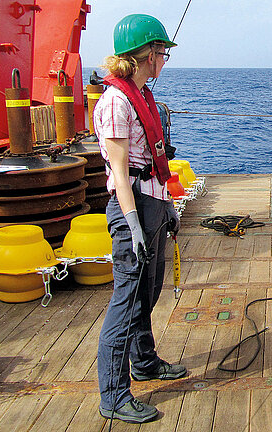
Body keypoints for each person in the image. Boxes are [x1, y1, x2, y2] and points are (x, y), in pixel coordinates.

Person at [93, 14, 186, 424]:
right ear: (149, 54)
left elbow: (151, 162)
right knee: (126, 300)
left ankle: (144, 362)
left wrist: (167, 207)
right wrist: (133, 226)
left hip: (152, 203)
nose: (164, 60)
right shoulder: (116, 102)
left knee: (147, 292)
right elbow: (120, 172)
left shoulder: (142, 95)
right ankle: (113, 395)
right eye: (163, 53)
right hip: (132, 208)